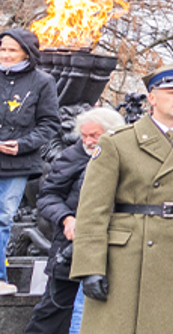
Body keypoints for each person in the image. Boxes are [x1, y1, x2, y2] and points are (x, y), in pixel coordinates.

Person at [71, 68, 173, 334]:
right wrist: (90, 266)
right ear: (152, 98)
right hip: (125, 259)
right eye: (172, 92)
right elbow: (93, 211)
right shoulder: (117, 143)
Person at [24, 107, 123, 334]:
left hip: (112, 245)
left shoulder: (125, 158)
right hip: (70, 245)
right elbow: (47, 196)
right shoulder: (73, 155)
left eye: (94, 136)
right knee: (52, 311)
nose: (87, 141)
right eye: (84, 135)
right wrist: (66, 218)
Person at [0, 28, 62, 296]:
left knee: (3, 217)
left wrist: (22, 144)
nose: (5, 54)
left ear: (26, 52)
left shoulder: (42, 82)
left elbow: (50, 124)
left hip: (18, 163)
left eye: (11, 50)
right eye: (2, 49)